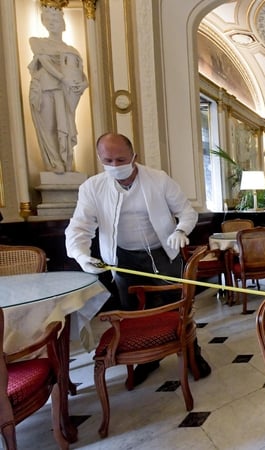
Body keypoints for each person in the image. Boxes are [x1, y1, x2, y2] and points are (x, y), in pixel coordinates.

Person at [65, 132, 209, 385]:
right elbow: (79, 227)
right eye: (108, 160)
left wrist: (180, 231)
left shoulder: (158, 179)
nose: (115, 165)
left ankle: (191, 352)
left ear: (134, 157)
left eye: (121, 160)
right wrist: (80, 255)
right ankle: (146, 360)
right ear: (100, 159)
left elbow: (187, 212)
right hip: (122, 258)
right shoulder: (92, 188)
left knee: (178, 304)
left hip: (163, 251)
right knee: (133, 311)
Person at [28, 6, 88, 173]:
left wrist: (84, 84)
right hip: (45, 88)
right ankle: (54, 162)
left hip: (65, 92)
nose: (52, 23)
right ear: (43, 23)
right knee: (49, 127)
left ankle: (67, 160)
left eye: (55, 19)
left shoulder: (72, 50)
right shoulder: (37, 42)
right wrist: (63, 78)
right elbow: (45, 63)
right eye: (48, 20)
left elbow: (80, 72)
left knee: (65, 126)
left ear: (63, 23)